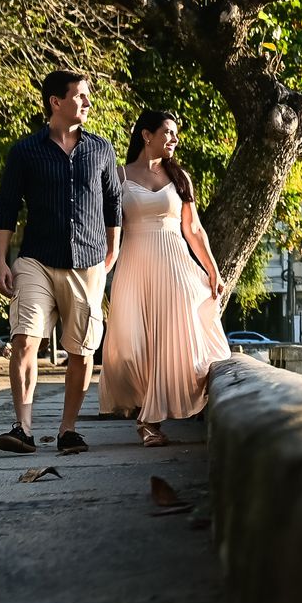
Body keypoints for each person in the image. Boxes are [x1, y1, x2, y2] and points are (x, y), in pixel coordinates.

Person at [0, 70, 122, 454]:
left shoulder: (101, 150)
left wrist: (112, 250)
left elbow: (113, 202)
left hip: (88, 262)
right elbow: (6, 208)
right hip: (36, 260)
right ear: (56, 101)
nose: (87, 102)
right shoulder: (25, 151)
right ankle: (23, 428)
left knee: (82, 350)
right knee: (23, 339)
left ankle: (68, 430)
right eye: (80, 96)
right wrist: (0, 261)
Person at [101, 110, 230, 446]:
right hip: (134, 266)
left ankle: (149, 422)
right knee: (131, 346)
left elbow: (194, 228)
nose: (175, 139)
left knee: (170, 344)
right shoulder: (118, 175)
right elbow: (107, 227)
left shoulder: (180, 176)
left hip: (175, 265)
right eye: (168, 132)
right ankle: (144, 409)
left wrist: (212, 270)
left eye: (176, 133)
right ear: (147, 135)